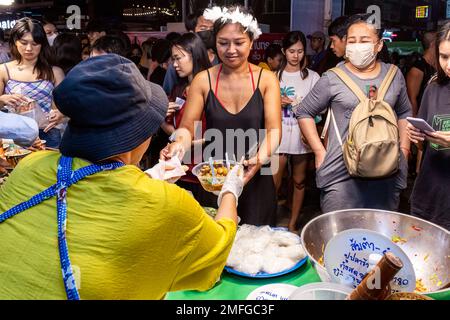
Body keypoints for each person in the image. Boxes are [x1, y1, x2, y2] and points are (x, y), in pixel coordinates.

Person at [0, 53, 246, 299]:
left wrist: (146, 180)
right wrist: (230, 191)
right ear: (138, 135)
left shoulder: (29, 166)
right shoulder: (167, 204)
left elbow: (90, 195)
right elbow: (216, 254)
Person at [161, 5, 282, 226]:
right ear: (214, 42)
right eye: (223, 43)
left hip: (256, 177)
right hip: (215, 179)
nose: (230, 49)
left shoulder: (266, 79)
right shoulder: (203, 80)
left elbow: (274, 130)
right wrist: (178, 145)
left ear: (252, 41)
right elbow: (187, 128)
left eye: (239, 42)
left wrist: (260, 157)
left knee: (256, 249)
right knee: (217, 247)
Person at [296, 13, 412, 213]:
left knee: (381, 239)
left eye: (365, 40)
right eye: (352, 41)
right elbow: (304, 112)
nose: (358, 46)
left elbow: (404, 112)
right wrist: (319, 151)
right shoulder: (332, 78)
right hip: (341, 176)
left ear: (379, 45)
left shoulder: (394, 75)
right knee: (341, 237)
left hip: (388, 172)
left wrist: (405, 150)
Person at [159, 33, 214, 205]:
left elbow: (214, 134)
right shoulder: (178, 88)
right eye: (173, 59)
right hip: (178, 168)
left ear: (194, 54)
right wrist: (161, 116)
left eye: (178, 58)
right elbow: (172, 130)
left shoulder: (211, 89)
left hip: (202, 170)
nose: (174, 64)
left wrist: (182, 141)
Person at [273, 31, 320, 231]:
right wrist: (277, 101)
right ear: (284, 51)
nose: (296, 55)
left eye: (300, 51)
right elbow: (262, 106)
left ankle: (292, 224)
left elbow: (320, 109)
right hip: (279, 135)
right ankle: (270, 221)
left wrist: (303, 106)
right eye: (292, 51)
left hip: (301, 135)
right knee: (274, 182)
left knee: (299, 181)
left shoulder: (313, 77)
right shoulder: (274, 76)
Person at [406, 22, 450, 230]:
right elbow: (424, 146)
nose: (448, 65)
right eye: (444, 57)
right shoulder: (433, 88)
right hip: (429, 198)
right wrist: (418, 137)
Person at [0, 18, 65, 148]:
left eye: (35, 44)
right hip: (15, 135)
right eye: (23, 43)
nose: (28, 48)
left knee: (47, 168)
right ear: (15, 42)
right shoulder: (4, 70)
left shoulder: (55, 72)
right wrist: (2, 99)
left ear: (42, 45)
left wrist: (61, 114)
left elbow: (62, 107)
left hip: (48, 134)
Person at [163, 8, 214, 95]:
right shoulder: (175, 75)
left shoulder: (221, 62)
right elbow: (167, 95)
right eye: (203, 28)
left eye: (212, 29)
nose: (208, 32)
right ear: (192, 31)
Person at [406, 31, 436, 117]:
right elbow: (412, 98)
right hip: (423, 117)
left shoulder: (439, 65)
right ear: (433, 44)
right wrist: (416, 121)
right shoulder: (417, 68)